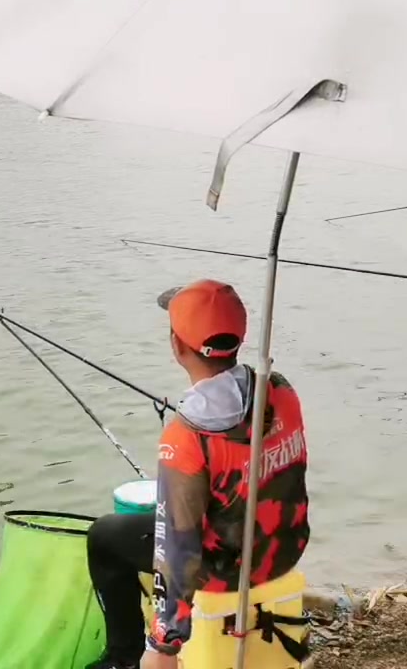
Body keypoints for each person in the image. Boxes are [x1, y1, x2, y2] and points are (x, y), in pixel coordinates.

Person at [84, 280, 310, 669]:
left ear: (177, 345)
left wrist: (164, 645)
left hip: (229, 571)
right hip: (284, 547)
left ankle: (123, 659)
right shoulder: (280, 390)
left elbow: (177, 548)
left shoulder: (186, 436)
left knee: (105, 537)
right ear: (238, 339)